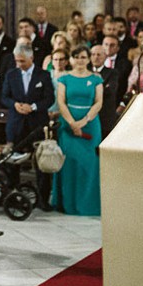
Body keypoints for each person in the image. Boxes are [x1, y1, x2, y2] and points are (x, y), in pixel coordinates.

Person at [0, 43, 55, 208]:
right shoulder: (11, 75)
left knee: (40, 162)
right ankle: (13, 196)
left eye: (22, 61)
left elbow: (49, 98)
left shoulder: (43, 75)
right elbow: (4, 96)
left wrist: (34, 107)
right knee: (12, 161)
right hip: (16, 123)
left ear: (31, 58)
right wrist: (15, 104)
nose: (19, 65)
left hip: (37, 123)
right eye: (17, 61)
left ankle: (43, 199)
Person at [51, 46, 103, 217]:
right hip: (68, 124)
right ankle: (68, 204)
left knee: (89, 165)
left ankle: (88, 205)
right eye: (76, 57)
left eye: (83, 57)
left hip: (90, 124)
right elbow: (61, 102)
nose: (80, 60)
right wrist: (73, 123)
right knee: (70, 164)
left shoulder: (96, 79)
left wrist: (84, 121)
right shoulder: (64, 78)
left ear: (88, 59)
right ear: (72, 59)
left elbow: (98, 103)